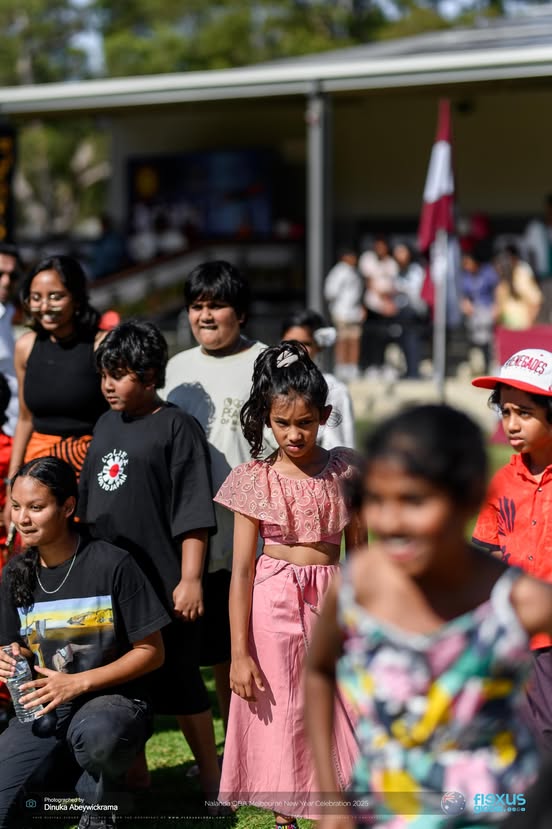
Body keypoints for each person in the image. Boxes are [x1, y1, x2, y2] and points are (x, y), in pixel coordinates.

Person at [304, 403, 552, 829]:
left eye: (414, 501)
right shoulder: (358, 587)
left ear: (470, 497)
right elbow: (318, 671)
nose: (391, 523)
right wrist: (330, 798)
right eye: (376, 500)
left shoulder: (517, 601)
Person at [215, 341, 362, 827]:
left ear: (324, 416)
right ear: (266, 419)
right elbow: (241, 571)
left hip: (333, 597)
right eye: (282, 423)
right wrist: (239, 653)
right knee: (283, 705)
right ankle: (286, 813)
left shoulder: (347, 470)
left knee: (342, 699)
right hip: (272, 601)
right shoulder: (253, 479)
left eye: (305, 422)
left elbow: (362, 556)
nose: (294, 434)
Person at [77, 320, 221, 802]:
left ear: (150, 374)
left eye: (119, 375)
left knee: (181, 680)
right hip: (112, 585)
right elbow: (89, 504)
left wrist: (191, 578)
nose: (108, 385)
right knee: (125, 680)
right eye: (104, 375)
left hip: (163, 581)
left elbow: (193, 509)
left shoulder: (176, 427)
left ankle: (212, 779)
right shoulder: (104, 424)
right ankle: (137, 777)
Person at [0, 456, 169, 829]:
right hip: (46, 708)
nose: (22, 518)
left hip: (111, 702)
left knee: (100, 738)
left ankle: (102, 811)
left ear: (67, 507)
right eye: (16, 506)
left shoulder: (113, 563)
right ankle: (70, 781)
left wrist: (77, 682)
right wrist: (11, 657)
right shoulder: (14, 573)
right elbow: (16, 646)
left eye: (36, 507)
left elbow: (152, 652)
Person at [162, 260, 273, 734]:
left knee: (253, 646)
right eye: (197, 306)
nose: (205, 315)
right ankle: (231, 752)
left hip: (254, 536)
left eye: (217, 305)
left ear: (241, 313)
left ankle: (258, 748)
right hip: (192, 537)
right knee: (212, 652)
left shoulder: (270, 363)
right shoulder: (177, 369)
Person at [471, 349, 552, 752]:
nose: (511, 424)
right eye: (505, 412)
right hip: (519, 636)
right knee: (532, 736)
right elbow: (485, 555)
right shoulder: (501, 482)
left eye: (525, 413)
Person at [6, 255, 107, 508]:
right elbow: (25, 419)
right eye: (36, 297)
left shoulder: (101, 345)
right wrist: (12, 484)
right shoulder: (25, 347)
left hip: (91, 467)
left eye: (55, 296)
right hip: (37, 471)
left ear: (76, 298)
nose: (44, 306)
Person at [280, 308, 355, 450]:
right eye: (290, 343)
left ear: (319, 346)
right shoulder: (271, 384)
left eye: (306, 343)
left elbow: (341, 444)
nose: (297, 350)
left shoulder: (334, 389)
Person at [358, 235, 399, 378]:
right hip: (371, 305)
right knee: (370, 337)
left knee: (384, 337)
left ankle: (381, 364)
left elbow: (393, 285)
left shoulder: (391, 263)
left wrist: (388, 302)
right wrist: (381, 298)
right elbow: (368, 282)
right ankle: (369, 365)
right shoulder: (368, 259)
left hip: (387, 307)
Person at [323, 248, 363, 381]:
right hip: (342, 312)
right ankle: (341, 366)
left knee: (354, 340)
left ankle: (352, 366)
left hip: (354, 312)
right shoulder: (338, 272)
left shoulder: (355, 271)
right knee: (342, 340)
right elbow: (330, 292)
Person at [392, 242, 429, 379]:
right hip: (400, 311)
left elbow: (415, 292)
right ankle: (408, 370)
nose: (399, 256)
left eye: (402, 252)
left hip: (414, 311)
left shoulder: (416, 270)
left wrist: (398, 290)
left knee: (412, 341)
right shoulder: (397, 271)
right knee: (403, 342)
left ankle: (414, 372)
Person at [460, 246, 499, 373]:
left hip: (487, 309)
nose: (467, 266)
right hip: (474, 312)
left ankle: (490, 365)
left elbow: (496, 291)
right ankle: (477, 366)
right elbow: (464, 295)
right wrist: (465, 303)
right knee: (475, 339)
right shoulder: (466, 276)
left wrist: (496, 307)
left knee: (488, 339)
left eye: (468, 262)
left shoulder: (488, 272)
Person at [0, 242, 22, 438]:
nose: (6, 281)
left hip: (18, 429)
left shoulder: (13, 313)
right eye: (0, 274)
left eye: (12, 276)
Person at [494, 244, 542, 330]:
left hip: (522, 327)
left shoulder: (522, 274)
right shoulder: (502, 281)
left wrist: (530, 323)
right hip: (506, 327)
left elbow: (535, 301)